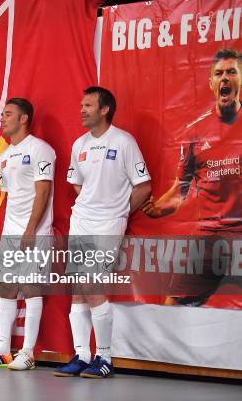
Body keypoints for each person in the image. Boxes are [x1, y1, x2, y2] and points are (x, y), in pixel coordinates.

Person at [55, 87, 151, 378]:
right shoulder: (79, 144)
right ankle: (82, 355)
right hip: (81, 220)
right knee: (78, 292)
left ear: (105, 109)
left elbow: (144, 186)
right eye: (81, 104)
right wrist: (92, 203)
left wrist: (119, 211)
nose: (82, 110)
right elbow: (76, 183)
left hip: (108, 223)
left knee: (93, 287)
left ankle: (105, 358)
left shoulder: (123, 141)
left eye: (88, 105)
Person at [142, 48, 241, 306]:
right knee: (173, 305)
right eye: (219, 73)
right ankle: (165, 347)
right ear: (211, 83)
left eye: (232, 72)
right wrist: (158, 207)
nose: (225, 78)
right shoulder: (195, 132)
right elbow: (180, 189)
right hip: (209, 239)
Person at [0, 98, 55, 370]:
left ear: (24, 119)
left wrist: (31, 229)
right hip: (10, 231)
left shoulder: (42, 149)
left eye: (8, 114)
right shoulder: (4, 157)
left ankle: (29, 352)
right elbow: (11, 197)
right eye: (2, 114)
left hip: (35, 231)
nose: (2, 119)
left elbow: (42, 191)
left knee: (32, 289)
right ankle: (3, 350)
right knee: (7, 290)